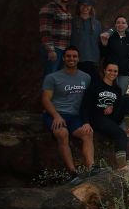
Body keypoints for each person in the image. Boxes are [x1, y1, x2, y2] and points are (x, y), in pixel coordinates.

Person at [41, 45, 97, 185]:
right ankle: (72, 173)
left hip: (75, 117)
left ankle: (92, 168)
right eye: (68, 56)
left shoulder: (86, 77)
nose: (71, 59)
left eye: (74, 56)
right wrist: (56, 115)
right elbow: (45, 99)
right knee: (62, 133)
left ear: (78, 59)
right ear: (64, 58)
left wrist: (87, 121)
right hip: (56, 114)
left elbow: (88, 101)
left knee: (87, 133)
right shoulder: (52, 77)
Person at [80, 61, 129, 170]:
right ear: (104, 70)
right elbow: (85, 106)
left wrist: (112, 107)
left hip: (112, 118)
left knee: (128, 98)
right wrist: (85, 122)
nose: (112, 73)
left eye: (115, 71)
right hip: (98, 118)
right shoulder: (95, 86)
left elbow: (118, 105)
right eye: (110, 70)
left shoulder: (117, 89)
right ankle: (122, 166)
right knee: (120, 134)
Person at [39, 0, 74, 77]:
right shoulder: (50, 7)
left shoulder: (68, 11)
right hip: (54, 49)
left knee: (59, 79)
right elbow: (45, 31)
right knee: (50, 77)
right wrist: (51, 50)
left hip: (64, 50)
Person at [100, 15, 129, 94]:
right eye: (118, 23)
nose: (120, 25)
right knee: (109, 93)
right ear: (115, 25)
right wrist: (104, 45)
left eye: (123, 23)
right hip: (110, 70)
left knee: (121, 94)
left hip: (125, 71)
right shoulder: (110, 37)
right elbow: (103, 53)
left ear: (127, 25)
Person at [71, 0, 102, 82]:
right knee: (77, 87)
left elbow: (101, 42)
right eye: (83, 5)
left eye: (88, 5)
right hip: (76, 60)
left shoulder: (97, 23)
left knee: (92, 87)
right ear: (79, 7)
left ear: (91, 7)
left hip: (93, 60)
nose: (85, 7)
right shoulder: (72, 22)